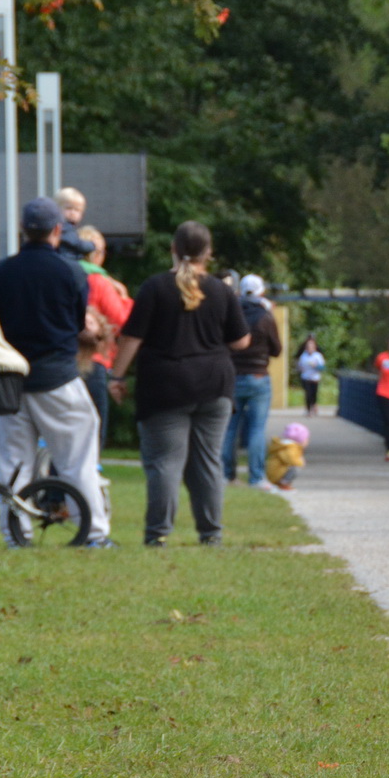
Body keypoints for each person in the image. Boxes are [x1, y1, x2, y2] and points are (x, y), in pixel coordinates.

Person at [0, 197, 111, 547]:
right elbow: (77, 324)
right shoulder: (72, 273)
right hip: (58, 379)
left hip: (8, 382)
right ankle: (92, 534)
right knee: (77, 460)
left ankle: (17, 535)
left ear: (23, 229)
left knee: (12, 465)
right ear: (58, 230)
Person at [110, 221, 250, 546]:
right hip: (214, 384)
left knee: (165, 463)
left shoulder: (155, 287)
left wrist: (116, 376)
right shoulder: (221, 290)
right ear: (208, 253)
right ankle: (211, 535)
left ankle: (158, 535)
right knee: (208, 463)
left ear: (173, 249)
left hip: (165, 386)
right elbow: (241, 341)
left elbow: (132, 338)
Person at [221, 274, 282, 490]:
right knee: (257, 429)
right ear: (261, 292)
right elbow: (277, 350)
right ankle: (256, 477)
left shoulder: (232, 314)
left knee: (230, 429)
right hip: (258, 377)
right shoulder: (266, 317)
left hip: (233, 377)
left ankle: (226, 475)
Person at [75, 225, 132, 450]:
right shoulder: (99, 282)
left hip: (62, 360)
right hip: (93, 360)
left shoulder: (64, 275)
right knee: (94, 430)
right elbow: (122, 321)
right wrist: (124, 297)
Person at [53, 186, 97, 264]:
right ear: (57, 209)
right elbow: (76, 243)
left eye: (77, 210)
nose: (72, 213)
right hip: (65, 261)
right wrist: (92, 245)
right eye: (68, 208)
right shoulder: (65, 228)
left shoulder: (67, 227)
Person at [268, 422, 308, 490]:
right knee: (296, 467)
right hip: (275, 473)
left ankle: (283, 482)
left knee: (295, 465)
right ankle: (283, 483)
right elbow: (291, 459)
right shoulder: (290, 447)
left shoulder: (284, 445)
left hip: (274, 471)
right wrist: (301, 462)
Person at [296, 335, 326, 415]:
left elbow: (322, 367)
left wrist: (315, 366)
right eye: (308, 346)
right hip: (305, 377)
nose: (309, 348)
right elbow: (299, 365)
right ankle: (308, 409)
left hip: (315, 378)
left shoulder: (318, 356)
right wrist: (300, 368)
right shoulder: (303, 355)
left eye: (311, 346)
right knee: (308, 393)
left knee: (314, 394)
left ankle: (314, 405)